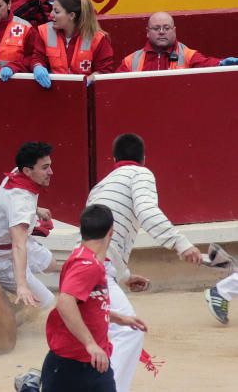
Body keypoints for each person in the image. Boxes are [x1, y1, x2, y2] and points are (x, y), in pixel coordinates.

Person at [86, 133, 202, 392]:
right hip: (96, 270)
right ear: (143, 158)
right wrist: (181, 244)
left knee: (93, 337)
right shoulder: (141, 175)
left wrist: (124, 275)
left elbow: (98, 239)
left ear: (114, 159)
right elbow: (147, 211)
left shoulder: (100, 187)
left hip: (81, 266)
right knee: (129, 331)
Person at [41, 203, 147, 392]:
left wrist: (118, 318)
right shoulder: (87, 265)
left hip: (92, 362)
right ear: (111, 232)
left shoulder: (85, 259)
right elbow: (65, 302)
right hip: (72, 363)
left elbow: (89, 305)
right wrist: (90, 344)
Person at [0, 141, 60, 308]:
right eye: (44, 168)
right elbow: (18, 246)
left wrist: (36, 210)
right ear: (27, 171)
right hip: (0, 258)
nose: (51, 172)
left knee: (52, 264)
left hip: (4, 241)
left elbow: (11, 203)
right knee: (49, 303)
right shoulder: (20, 203)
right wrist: (22, 286)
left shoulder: (18, 172)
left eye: (49, 165)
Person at [31, 0, 114, 87]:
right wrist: (38, 66)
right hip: (54, 91)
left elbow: (104, 70)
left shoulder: (97, 38)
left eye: (56, 11)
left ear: (71, 16)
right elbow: (37, 58)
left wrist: (87, 81)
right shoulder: (44, 32)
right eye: (52, 10)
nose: (51, 15)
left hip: (85, 96)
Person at [116, 11, 237, 71]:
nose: (162, 32)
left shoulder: (188, 55)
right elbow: (113, 86)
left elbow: (208, 64)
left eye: (166, 28)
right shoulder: (130, 61)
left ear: (174, 31)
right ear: (147, 32)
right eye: (156, 28)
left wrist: (222, 64)